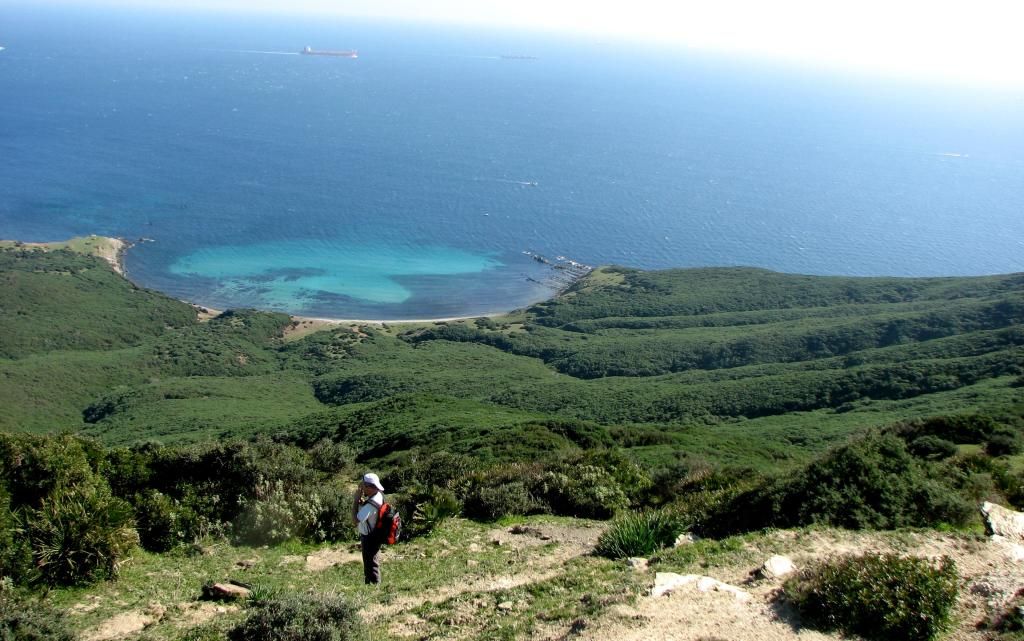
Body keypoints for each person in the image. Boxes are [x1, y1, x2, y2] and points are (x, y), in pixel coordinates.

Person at [352, 472, 385, 585]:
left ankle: (374, 587)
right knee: (371, 562)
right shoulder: (377, 495)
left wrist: (356, 501)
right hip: (374, 534)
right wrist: (362, 503)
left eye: (363, 486)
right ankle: (371, 585)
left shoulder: (372, 504)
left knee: (371, 563)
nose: (361, 488)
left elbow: (355, 520)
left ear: (369, 487)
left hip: (369, 537)